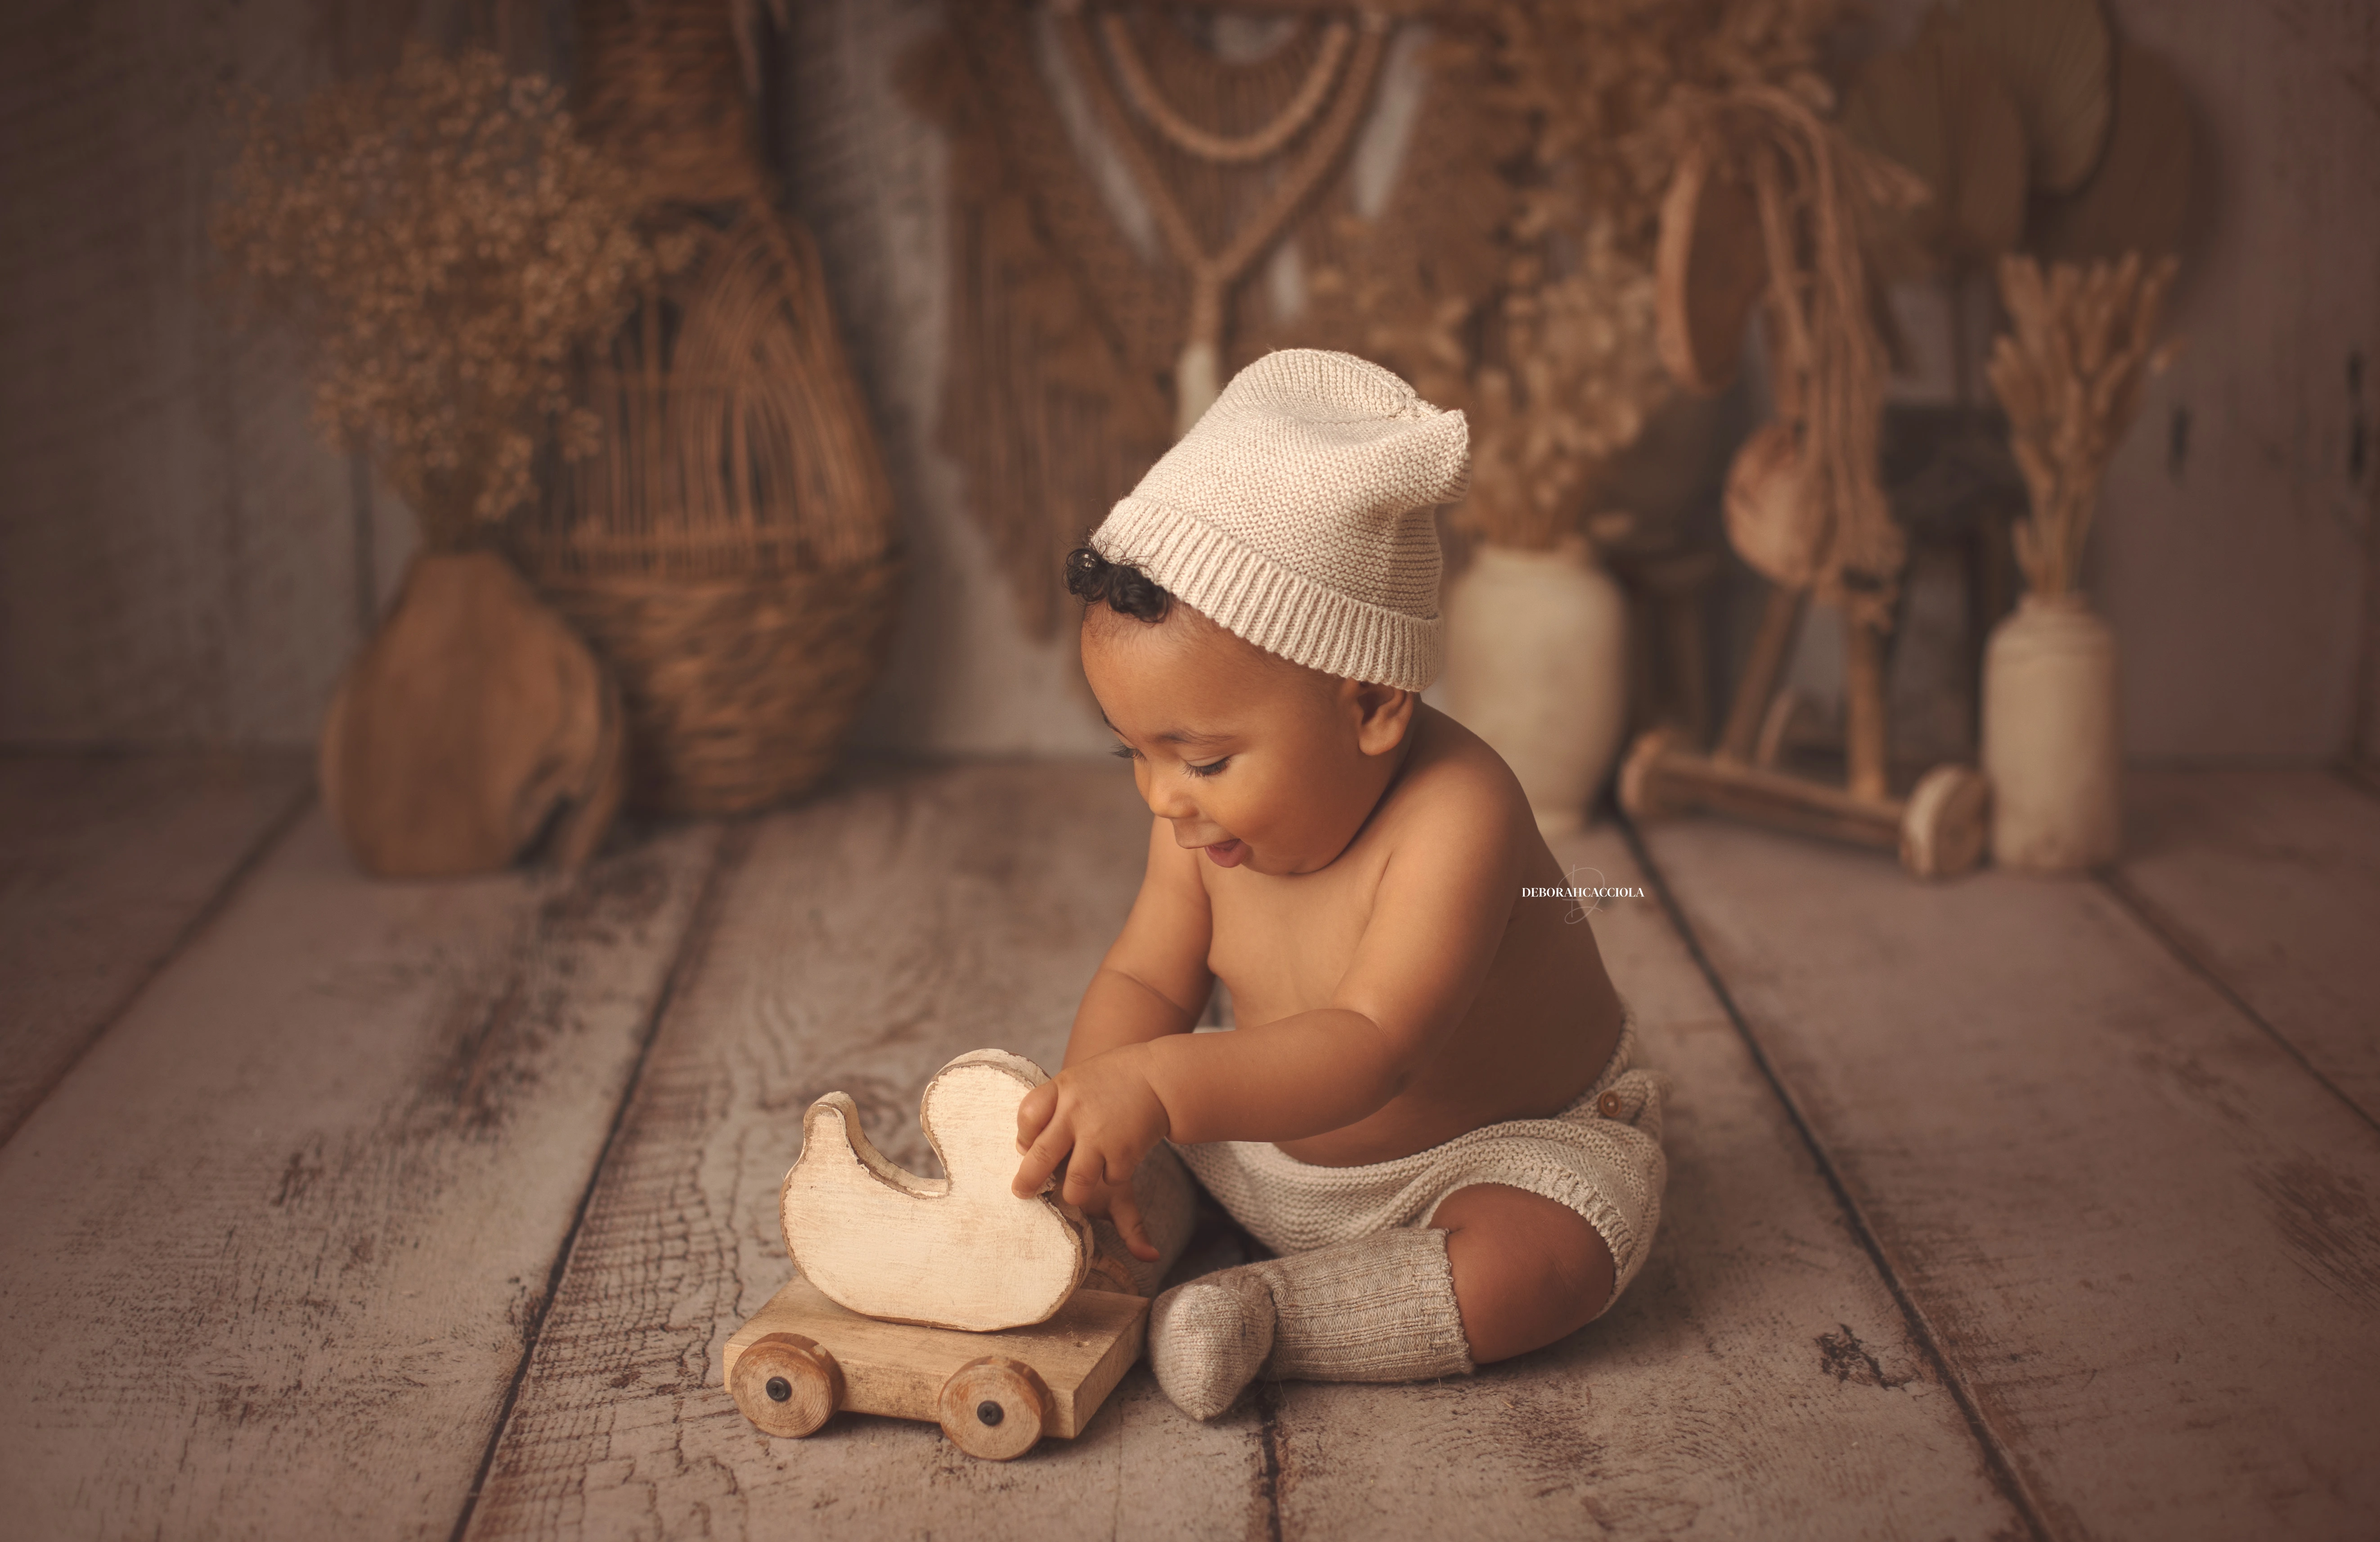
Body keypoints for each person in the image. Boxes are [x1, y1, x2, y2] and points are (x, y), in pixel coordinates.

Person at [1011, 348, 1667, 1419]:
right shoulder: (1198, 821)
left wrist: (1165, 1086)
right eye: (1129, 752)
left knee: (1554, 1255)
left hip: (1483, 1155)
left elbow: (1373, 1045)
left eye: (1203, 758)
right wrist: (1103, 1098)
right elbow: (1144, 975)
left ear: (1371, 707)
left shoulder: (1461, 812)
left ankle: (1279, 1311)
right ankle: (1104, 1238)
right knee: (1137, 1148)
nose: (1163, 798)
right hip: (1258, 1136)